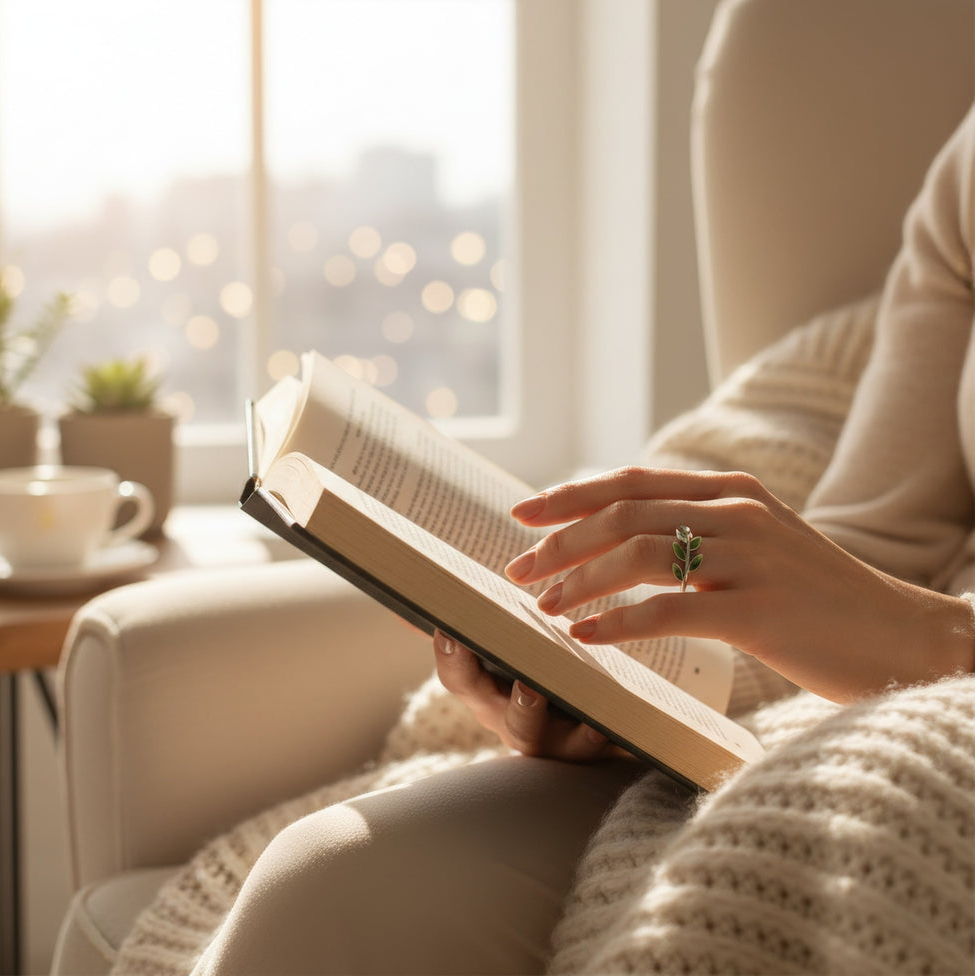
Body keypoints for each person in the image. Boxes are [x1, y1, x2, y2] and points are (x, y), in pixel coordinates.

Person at [114, 104, 975, 976]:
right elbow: (878, 552)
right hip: (876, 686)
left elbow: (898, 619)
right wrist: (641, 683)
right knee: (328, 875)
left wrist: (941, 639)